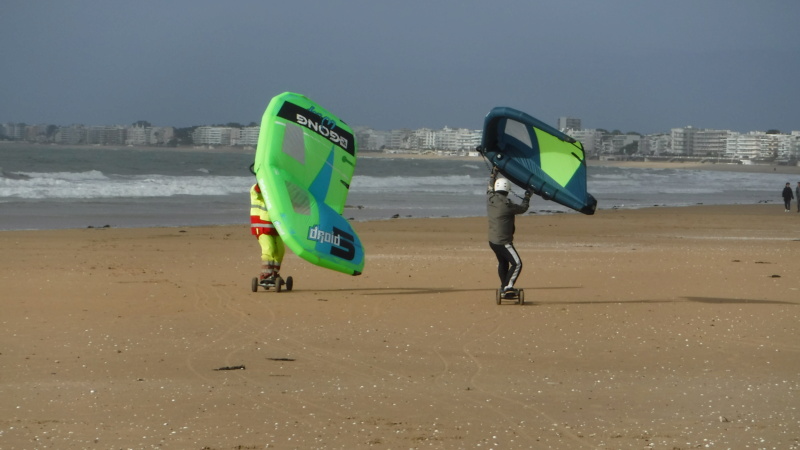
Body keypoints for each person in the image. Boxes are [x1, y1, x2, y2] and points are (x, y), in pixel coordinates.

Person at [487, 167, 532, 298]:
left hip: (492, 241)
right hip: (503, 242)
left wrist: (493, 173)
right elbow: (523, 208)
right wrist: (527, 197)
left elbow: (490, 185)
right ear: (507, 190)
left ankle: (503, 286)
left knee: (503, 262)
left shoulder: (490, 197)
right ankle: (508, 287)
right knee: (517, 263)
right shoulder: (508, 205)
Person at [250, 182, 285, 284]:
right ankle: (266, 274)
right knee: (269, 249)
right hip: (261, 225)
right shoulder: (257, 188)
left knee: (280, 251)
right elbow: (258, 191)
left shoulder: (277, 189)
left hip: (275, 225)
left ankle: (274, 273)